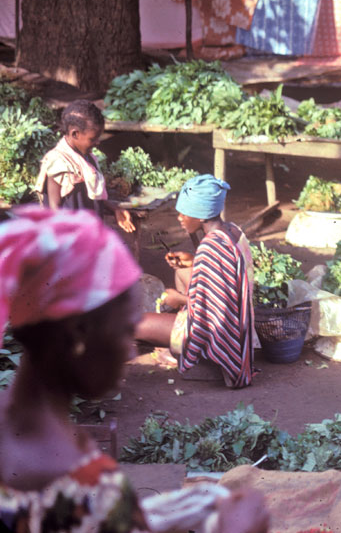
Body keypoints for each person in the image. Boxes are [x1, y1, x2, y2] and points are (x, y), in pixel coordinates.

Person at [0, 207, 268, 533]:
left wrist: (147, 517)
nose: (130, 351)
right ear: (78, 335)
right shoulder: (73, 479)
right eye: (125, 331)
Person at [136, 175, 255, 389]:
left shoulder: (210, 248)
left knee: (134, 323)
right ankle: (190, 354)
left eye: (184, 213)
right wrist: (192, 262)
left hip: (219, 331)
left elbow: (214, 310)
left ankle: (203, 356)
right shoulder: (231, 230)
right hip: (241, 326)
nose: (180, 218)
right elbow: (224, 280)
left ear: (201, 215)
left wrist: (177, 299)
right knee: (183, 272)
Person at [36, 100, 136, 233]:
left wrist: (115, 209)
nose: (97, 142)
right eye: (93, 139)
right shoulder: (58, 162)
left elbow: (93, 195)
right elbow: (55, 211)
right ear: (75, 134)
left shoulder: (87, 158)